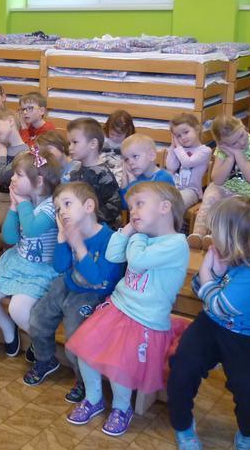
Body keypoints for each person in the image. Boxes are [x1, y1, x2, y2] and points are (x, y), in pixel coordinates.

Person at [65, 181, 187, 437]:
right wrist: (128, 229)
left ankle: (122, 408)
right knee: (85, 349)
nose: (133, 211)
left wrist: (137, 234)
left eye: (139, 204)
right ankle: (93, 399)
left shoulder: (176, 243)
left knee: (121, 364)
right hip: (118, 307)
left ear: (165, 207)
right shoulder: (140, 238)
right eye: (131, 207)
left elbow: (138, 260)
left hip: (145, 320)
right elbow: (113, 254)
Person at [169, 197, 250, 450]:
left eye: (215, 231)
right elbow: (199, 288)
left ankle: (248, 433)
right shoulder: (225, 255)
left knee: (248, 388)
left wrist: (208, 274)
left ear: (235, 238)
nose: (211, 237)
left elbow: (219, 304)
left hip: (245, 335)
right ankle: (183, 427)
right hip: (212, 322)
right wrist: (211, 275)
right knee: (182, 365)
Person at [24, 182, 121, 403]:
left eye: (67, 204)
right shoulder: (68, 232)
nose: (62, 212)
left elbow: (97, 278)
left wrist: (78, 244)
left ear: (89, 206)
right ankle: (45, 359)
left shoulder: (109, 239)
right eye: (58, 209)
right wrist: (62, 236)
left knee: (74, 340)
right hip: (68, 283)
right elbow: (60, 266)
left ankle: (84, 380)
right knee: (38, 319)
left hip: (93, 293)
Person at [0, 149, 62, 357]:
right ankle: (8, 329)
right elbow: (10, 238)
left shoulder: (51, 206)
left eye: (18, 175)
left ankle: (41, 343)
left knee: (19, 310)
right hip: (17, 262)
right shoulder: (24, 200)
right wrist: (14, 207)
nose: (12, 178)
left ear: (38, 182)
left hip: (41, 270)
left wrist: (21, 204)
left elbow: (31, 229)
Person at [188, 116, 250, 249]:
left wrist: (237, 153)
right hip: (222, 188)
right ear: (223, 144)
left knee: (232, 206)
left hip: (245, 195)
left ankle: (216, 237)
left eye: (241, 135)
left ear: (242, 125)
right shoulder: (223, 149)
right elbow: (217, 180)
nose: (241, 142)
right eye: (234, 143)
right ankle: (198, 235)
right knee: (211, 196)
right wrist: (230, 158)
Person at [65, 118, 122, 229]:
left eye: (75, 142)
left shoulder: (103, 174)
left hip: (99, 231)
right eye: (69, 143)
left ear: (93, 144)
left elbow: (114, 207)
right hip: (79, 228)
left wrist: (89, 218)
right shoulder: (75, 171)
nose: (70, 148)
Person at [0, 108, 29, 230]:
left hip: (8, 202)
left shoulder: (24, 152)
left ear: (10, 121)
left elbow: (2, 178)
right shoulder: (2, 149)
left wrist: (2, 152)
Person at [165, 113, 212, 210]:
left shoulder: (205, 150)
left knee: (174, 205)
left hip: (192, 191)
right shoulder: (180, 150)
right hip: (174, 187)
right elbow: (171, 167)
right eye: (178, 136)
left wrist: (178, 147)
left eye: (186, 132)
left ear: (197, 129)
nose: (183, 137)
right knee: (155, 200)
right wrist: (173, 145)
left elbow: (187, 163)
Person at [120, 133, 175, 207]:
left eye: (135, 156)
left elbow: (148, 207)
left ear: (151, 155)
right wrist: (124, 180)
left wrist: (133, 182)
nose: (130, 162)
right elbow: (123, 205)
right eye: (126, 159)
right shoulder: (139, 178)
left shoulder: (163, 179)